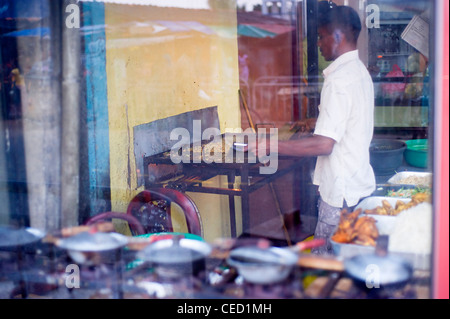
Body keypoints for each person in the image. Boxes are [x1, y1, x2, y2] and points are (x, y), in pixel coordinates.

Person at [250, 4, 376, 255]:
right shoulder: (359, 71)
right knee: (350, 262)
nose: (317, 44)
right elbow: (348, 121)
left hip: (339, 194)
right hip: (357, 185)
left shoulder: (338, 80)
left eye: (321, 37)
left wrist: (270, 145)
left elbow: (324, 144)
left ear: (337, 37)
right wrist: (315, 122)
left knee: (326, 265)